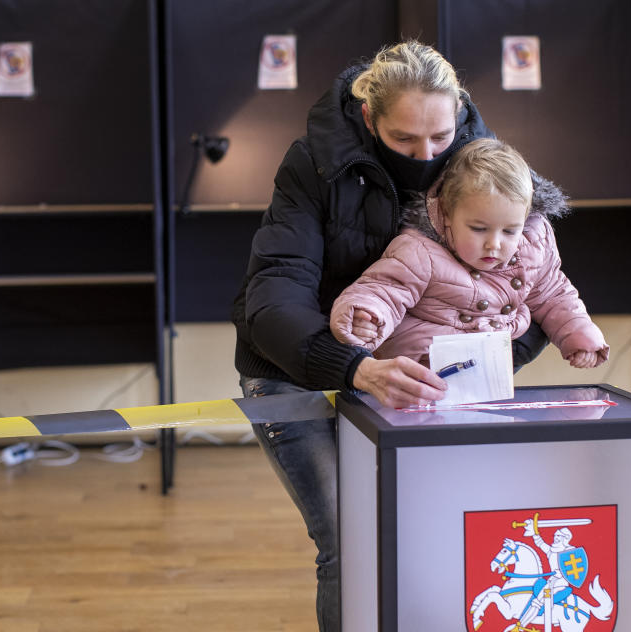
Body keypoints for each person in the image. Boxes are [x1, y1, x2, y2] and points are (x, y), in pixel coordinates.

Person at [232, 41, 551, 631]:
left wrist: (492, 353)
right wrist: (354, 367)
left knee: (438, 528)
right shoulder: (312, 162)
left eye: (440, 137)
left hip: (428, 375)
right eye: (404, 140)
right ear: (368, 117)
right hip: (295, 371)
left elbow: (538, 283)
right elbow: (272, 296)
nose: (426, 155)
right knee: (350, 536)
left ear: (458, 114)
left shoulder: (485, 164)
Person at [330, 138, 609, 370]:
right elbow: (383, 290)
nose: (494, 244)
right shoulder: (419, 250)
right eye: (479, 229)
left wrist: (580, 335)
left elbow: (554, 294)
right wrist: (365, 316)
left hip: (486, 369)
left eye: (510, 231)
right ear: (447, 215)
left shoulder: (533, 246)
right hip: (418, 369)